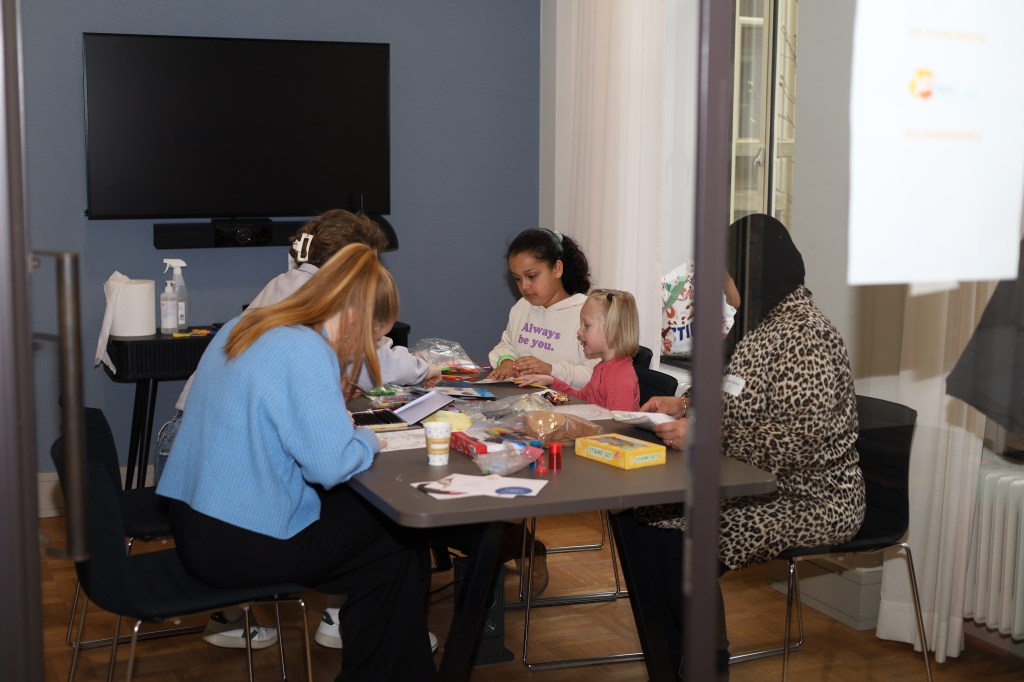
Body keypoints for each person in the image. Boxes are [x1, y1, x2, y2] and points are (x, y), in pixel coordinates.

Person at [153, 210, 441, 651]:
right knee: (398, 532)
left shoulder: (246, 325)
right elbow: (330, 466)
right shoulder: (306, 348)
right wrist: (369, 439)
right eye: (370, 334)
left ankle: (381, 644)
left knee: (380, 544)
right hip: (242, 543)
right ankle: (389, 652)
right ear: (353, 311)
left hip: (194, 525)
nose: (365, 346)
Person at [619, 214, 866, 679]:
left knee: (684, 541)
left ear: (752, 273)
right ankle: (668, 658)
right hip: (749, 478)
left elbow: (797, 441)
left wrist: (706, 436)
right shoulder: (757, 321)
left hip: (809, 496)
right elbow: (732, 393)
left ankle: (706, 668)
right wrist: (685, 403)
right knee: (645, 520)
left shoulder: (806, 335)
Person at [487, 227, 599, 388]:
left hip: (566, 401)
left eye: (532, 276)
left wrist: (551, 370)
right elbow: (506, 345)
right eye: (518, 278)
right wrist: (506, 361)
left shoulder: (585, 314)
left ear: (557, 269)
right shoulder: (522, 307)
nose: (524, 286)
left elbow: (596, 374)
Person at [516, 288, 640, 411]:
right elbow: (581, 399)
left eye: (586, 325)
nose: (579, 331)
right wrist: (551, 382)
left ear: (613, 329)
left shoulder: (619, 379)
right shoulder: (603, 367)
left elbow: (619, 423)